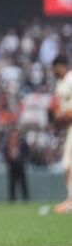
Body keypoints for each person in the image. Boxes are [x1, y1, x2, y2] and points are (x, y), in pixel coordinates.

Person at [50, 54, 72, 214]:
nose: (53, 71)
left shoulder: (71, 79)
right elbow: (58, 108)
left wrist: (65, 113)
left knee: (68, 163)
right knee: (67, 163)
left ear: (61, 66)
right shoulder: (59, 83)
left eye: (55, 67)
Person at [2, 127, 30, 202]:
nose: (14, 135)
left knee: (23, 184)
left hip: (20, 165)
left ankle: (25, 199)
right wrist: (9, 159)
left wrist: (21, 160)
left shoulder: (22, 143)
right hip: (12, 165)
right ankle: (12, 200)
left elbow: (26, 153)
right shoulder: (8, 143)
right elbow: (5, 153)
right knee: (12, 184)